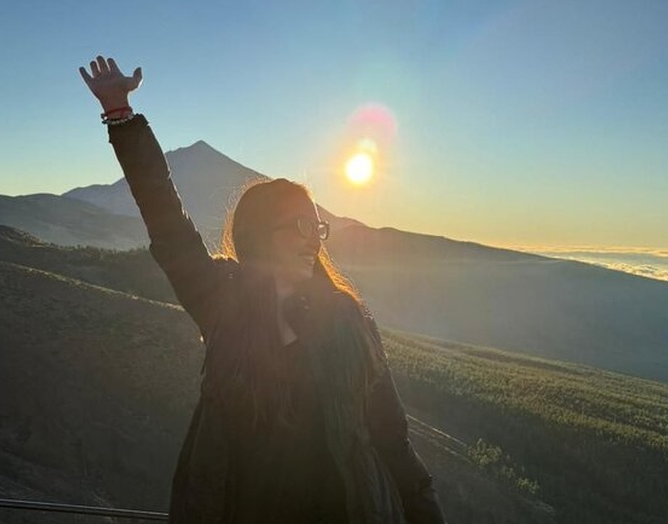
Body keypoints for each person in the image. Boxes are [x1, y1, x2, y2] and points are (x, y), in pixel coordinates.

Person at [80, 55, 447, 524]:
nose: (314, 238)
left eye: (318, 227)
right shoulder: (222, 301)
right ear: (257, 234)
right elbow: (167, 221)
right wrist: (121, 117)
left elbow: (393, 442)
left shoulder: (347, 318)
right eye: (299, 225)